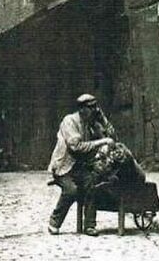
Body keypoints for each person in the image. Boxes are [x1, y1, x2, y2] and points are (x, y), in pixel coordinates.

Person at [47, 93, 115, 237]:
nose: (94, 111)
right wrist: (101, 142)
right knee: (72, 190)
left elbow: (112, 138)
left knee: (92, 184)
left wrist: (103, 119)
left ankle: (89, 225)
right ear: (82, 109)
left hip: (80, 167)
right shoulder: (70, 121)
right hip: (63, 167)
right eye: (91, 108)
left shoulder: (91, 123)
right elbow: (76, 146)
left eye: (96, 108)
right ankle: (54, 222)